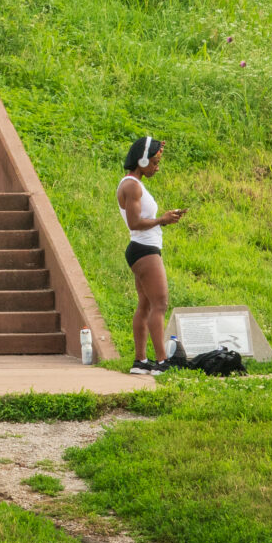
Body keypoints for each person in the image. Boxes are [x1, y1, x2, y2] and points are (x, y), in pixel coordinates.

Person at [118, 135, 185, 374]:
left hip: (142, 248)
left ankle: (140, 361)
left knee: (145, 305)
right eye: (154, 162)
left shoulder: (134, 184)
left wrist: (162, 222)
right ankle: (161, 361)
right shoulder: (131, 185)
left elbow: (140, 221)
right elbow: (135, 222)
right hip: (144, 249)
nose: (157, 168)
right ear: (142, 160)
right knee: (160, 303)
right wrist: (162, 219)